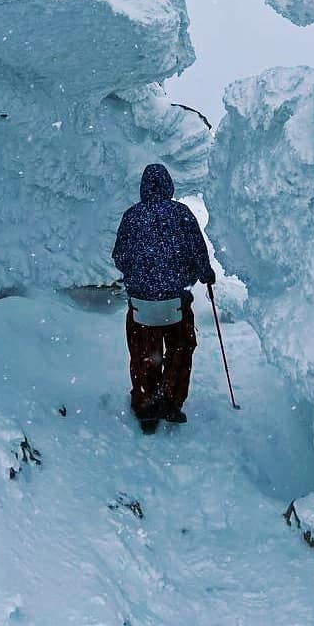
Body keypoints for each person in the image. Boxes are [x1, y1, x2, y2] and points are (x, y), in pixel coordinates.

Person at [112, 163, 215, 432]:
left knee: (144, 353)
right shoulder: (181, 214)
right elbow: (197, 251)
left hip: (141, 303)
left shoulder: (132, 216)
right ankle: (170, 399)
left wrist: (139, 276)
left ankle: (146, 406)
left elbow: (120, 256)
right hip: (175, 299)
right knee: (181, 347)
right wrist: (204, 274)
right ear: (169, 185)